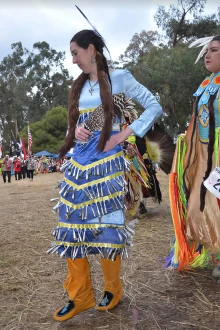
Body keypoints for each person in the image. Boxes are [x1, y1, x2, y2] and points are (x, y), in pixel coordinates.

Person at [48, 29, 162, 322]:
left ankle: (112, 289)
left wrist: (123, 133)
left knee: (107, 227)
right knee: (71, 227)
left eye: (75, 53)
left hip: (109, 163)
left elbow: (154, 106)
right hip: (79, 164)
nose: (72, 60)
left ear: (91, 50)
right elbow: (71, 130)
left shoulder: (120, 78)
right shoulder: (78, 87)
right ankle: (80, 296)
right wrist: (73, 131)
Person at [166, 36, 220, 274]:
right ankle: (211, 250)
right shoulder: (206, 84)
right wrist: (186, 139)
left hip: (218, 153)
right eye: (207, 51)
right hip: (203, 155)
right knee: (201, 203)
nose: (207, 55)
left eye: (214, 50)